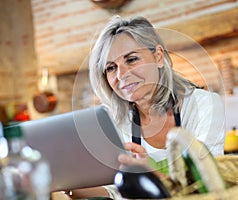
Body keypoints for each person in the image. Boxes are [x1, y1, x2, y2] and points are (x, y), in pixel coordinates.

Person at [68, 15, 225, 199]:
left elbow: (208, 188)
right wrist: (67, 185)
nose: (121, 75)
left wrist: (148, 175)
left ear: (158, 57)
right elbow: (116, 192)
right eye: (111, 68)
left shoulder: (204, 105)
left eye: (132, 59)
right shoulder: (115, 122)